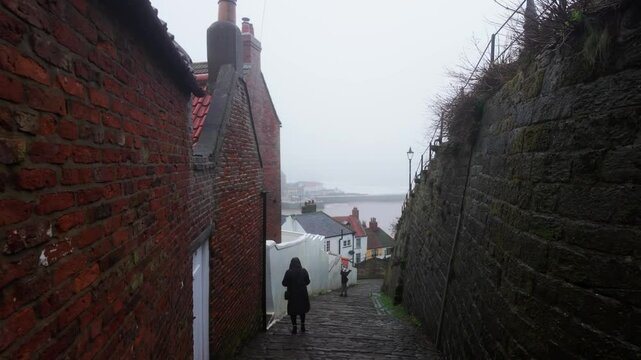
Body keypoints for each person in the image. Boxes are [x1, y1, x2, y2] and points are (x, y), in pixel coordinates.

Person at [282, 257, 310, 334]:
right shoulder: (304, 271)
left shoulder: (288, 272)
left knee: (293, 312)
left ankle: (294, 327)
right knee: (302, 311)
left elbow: (284, 283)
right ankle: (303, 326)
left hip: (292, 295)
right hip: (302, 295)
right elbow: (308, 281)